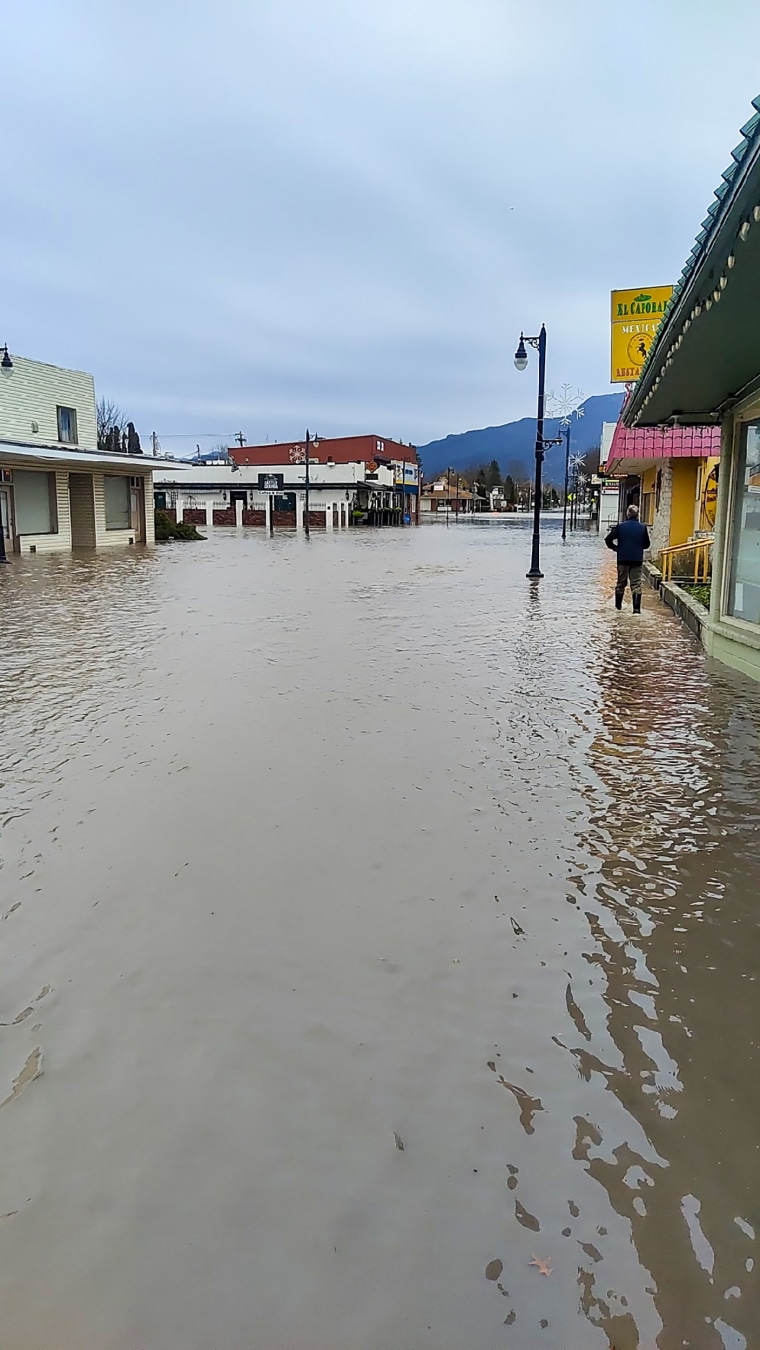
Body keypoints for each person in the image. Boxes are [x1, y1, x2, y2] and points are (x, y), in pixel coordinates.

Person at [605, 504, 650, 613]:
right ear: (637, 515)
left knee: (621, 583)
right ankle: (636, 611)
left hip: (622, 559)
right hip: (636, 560)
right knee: (636, 584)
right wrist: (638, 548)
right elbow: (647, 544)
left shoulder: (620, 527)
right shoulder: (642, 528)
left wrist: (615, 548)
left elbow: (608, 539)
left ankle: (618, 608)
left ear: (627, 515)